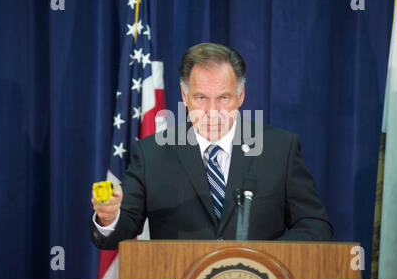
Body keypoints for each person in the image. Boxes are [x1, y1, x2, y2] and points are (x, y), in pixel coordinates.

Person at [90, 43, 333, 250]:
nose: (213, 111)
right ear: (185, 96)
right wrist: (110, 217)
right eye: (201, 98)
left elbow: (315, 226)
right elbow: (121, 229)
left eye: (223, 98)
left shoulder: (280, 149)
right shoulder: (152, 153)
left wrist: (264, 257)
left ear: (241, 95)